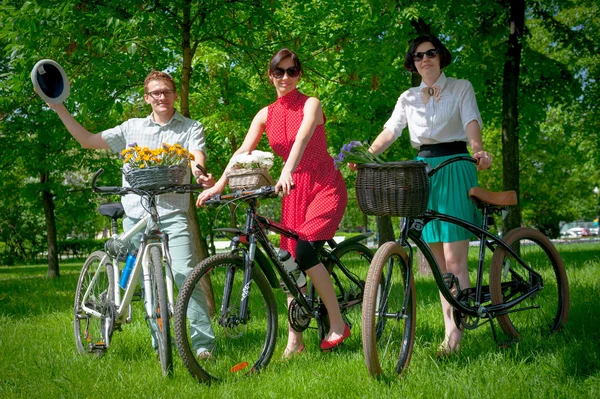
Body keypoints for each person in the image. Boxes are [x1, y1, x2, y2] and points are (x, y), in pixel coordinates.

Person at [45, 70, 216, 358]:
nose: (161, 97)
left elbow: (197, 157)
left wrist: (201, 176)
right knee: (143, 279)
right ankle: (158, 339)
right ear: (147, 98)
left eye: (166, 91)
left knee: (187, 275)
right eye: (155, 93)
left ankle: (202, 346)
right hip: (137, 215)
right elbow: (87, 139)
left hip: (173, 213)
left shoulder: (190, 127)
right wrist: (57, 107)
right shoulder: (131, 128)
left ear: (175, 94)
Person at [197, 48, 350, 357]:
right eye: (279, 72)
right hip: (292, 191)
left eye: (292, 71)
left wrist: (287, 170)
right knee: (288, 264)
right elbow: (243, 151)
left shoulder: (312, 104)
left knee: (305, 251)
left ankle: (337, 322)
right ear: (270, 76)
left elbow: (303, 139)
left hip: (322, 184)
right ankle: (296, 341)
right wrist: (219, 185)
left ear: (299, 75)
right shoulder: (265, 114)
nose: (285, 77)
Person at [365, 35, 493, 356]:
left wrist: (478, 150)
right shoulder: (407, 97)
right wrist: (367, 155)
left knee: (454, 259)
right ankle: (452, 330)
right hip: (422, 172)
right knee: (438, 263)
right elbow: (391, 131)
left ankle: (461, 328)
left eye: (431, 53)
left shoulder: (461, 87)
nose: (425, 59)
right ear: (413, 63)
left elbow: (471, 122)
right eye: (418, 56)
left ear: (441, 56)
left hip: (456, 165)